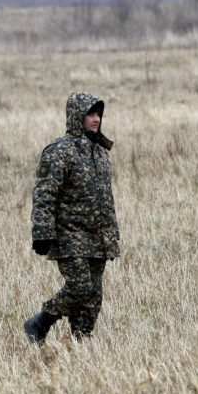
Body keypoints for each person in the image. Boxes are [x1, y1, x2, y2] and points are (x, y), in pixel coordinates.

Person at [24, 91, 120, 344]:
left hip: (98, 237)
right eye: (90, 113)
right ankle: (41, 321)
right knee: (79, 287)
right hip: (70, 236)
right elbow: (44, 194)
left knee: (93, 297)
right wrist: (42, 232)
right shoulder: (59, 151)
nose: (96, 119)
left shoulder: (100, 152)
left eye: (98, 113)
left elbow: (105, 200)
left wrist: (110, 236)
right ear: (77, 116)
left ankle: (81, 344)